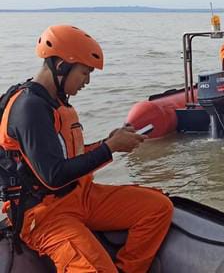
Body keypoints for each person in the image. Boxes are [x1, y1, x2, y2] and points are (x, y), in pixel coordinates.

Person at [0, 25, 173, 272]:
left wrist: (109, 143)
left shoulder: (55, 103)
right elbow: (53, 176)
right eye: (85, 72)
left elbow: (71, 158)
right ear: (61, 66)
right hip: (45, 215)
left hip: (81, 195)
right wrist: (110, 148)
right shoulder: (30, 108)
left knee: (157, 208)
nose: (87, 82)